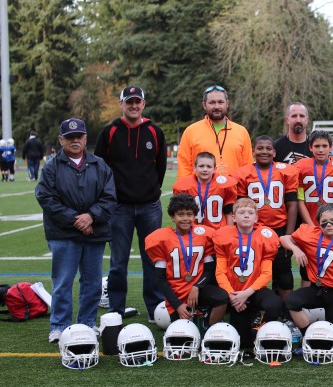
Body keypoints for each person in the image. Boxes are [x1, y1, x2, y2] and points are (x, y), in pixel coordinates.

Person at [35, 118, 116, 343]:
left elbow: (110, 198)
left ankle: (87, 322)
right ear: (61, 140)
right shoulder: (51, 166)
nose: (75, 140)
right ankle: (59, 325)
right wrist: (76, 220)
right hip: (64, 233)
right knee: (63, 281)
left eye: (79, 136)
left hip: (95, 231)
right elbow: (45, 197)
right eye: (69, 137)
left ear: (86, 138)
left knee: (92, 282)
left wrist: (91, 216)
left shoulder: (100, 165)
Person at [94, 86, 167, 321]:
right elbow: (100, 167)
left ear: (143, 104)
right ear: (121, 103)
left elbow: (160, 168)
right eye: (129, 102)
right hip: (119, 208)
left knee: (152, 259)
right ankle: (116, 309)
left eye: (137, 102)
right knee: (118, 261)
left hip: (149, 206)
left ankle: (155, 309)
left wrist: (150, 191)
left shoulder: (155, 131)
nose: (133, 106)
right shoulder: (110, 131)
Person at [143, 193, 228, 325]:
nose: (185, 218)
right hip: (176, 292)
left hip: (198, 289)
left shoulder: (204, 235)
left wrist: (197, 286)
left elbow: (209, 270)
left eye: (189, 214)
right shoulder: (162, 239)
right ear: (172, 217)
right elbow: (160, 279)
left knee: (222, 297)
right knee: (182, 338)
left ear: (194, 216)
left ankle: (209, 328)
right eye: (180, 214)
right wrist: (177, 305)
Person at [213, 198, 283, 357]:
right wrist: (232, 296)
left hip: (254, 290)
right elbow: (220, 272)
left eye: (250, 213)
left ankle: (261, 330)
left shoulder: (265, 236)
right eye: (241, 212)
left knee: (275, 304)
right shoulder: (224, 236)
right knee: (244, 342)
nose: (246, 216)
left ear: (256, 218)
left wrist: (246, 293)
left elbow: (266, 273)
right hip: (233, 292)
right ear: (233, 217)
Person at [280, 204, 333, 333]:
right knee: (291, 301)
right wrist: (296, 249)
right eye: (324, 222)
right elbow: (283, 238)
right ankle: (307, 334)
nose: (329, 225)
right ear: (318, 224)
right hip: (316, 288)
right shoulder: (309, 234)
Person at [235, 136, 298, 299]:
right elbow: (242, 207)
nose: (264, 151)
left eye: (268, 148)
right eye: (260, 148)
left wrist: (288, 235)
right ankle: (254, 309)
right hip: (254, 230)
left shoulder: (286, 171)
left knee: (283, 271)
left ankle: (286, 311)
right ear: (253, 151)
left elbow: (292, 205)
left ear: (274, 152)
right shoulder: (243, 173)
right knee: (252, 270)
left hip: (280, 228)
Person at [177, 85, 252, 178]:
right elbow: (184, 167)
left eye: (220, 102)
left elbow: (248, 167)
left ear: (227, 104)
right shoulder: (191, 131)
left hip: (234, 191)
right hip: (201, 191)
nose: (217, 106)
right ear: (204, 105)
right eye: (212, 102)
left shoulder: (241, 132)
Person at [173, 152, 238, 230]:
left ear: (214, 169)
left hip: (218, 230)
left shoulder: (225, 185)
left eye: (208, 166)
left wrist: (228, 231)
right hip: (193, 231)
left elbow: (229, 212)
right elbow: (179, 215)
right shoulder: (184, 186)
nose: (205, 169)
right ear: (194, 168)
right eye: (201, 166)